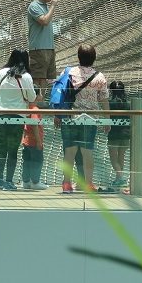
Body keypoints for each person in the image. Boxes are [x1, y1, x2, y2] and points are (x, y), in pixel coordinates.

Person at [59, 44, 108, 194]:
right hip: (90, 120)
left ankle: (66, 184)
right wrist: (108, 120)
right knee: (87, 153)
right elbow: (104, 100)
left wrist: (58, 115)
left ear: (79, 57)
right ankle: (88, 184)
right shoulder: (99, 76)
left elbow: (60, 94)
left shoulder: (69, 73)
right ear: (94, 58)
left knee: (69, 152)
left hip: (71, 117)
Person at [0, 49, 36, 190]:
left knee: (2, 148)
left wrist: (1, 93)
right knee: (13, 150)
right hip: (17, 117)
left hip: (0, 115)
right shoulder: (26, 76)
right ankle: (9, 181)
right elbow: (32, 98)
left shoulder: (2, 73)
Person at [27, 0, 57, 92]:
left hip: (49, 48)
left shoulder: (45, 7)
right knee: (38, 77)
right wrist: (53, 6)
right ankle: (35, 102)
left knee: (45, 78)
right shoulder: (34, 6)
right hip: (38, 49)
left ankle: (42, 101)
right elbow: (44, 21)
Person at [105, 81, 131, 192]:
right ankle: (118, 178)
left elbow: (107, 117)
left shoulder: (110, 103)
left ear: (111, 91)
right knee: (121, 156)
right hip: (126, 133)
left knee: (113, 158)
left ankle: (120, 177)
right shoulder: (128, 103)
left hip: (114, 133)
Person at [21, 87, 48, 190]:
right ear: (36, 96)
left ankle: (26, 181)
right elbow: (35, 125)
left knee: (27, 161)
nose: (42, 95)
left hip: (26, 140)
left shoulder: (28, 107)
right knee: (37, 160)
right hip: (33, 141)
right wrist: (38, 141)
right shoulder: (35, 109)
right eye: (41, 93)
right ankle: (35, 182)